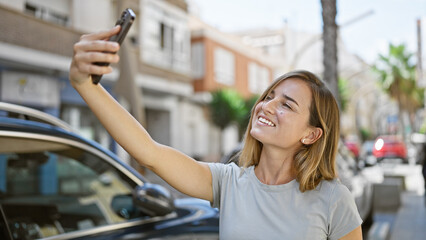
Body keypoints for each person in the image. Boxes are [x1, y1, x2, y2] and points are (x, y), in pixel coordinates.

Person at [70, 26, 363, 240]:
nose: (266, 106)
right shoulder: (229, 182)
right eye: (269, 96)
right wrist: (86, 85)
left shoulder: (333, 200)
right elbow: (149, 152)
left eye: (286, 104)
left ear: (311, 135)